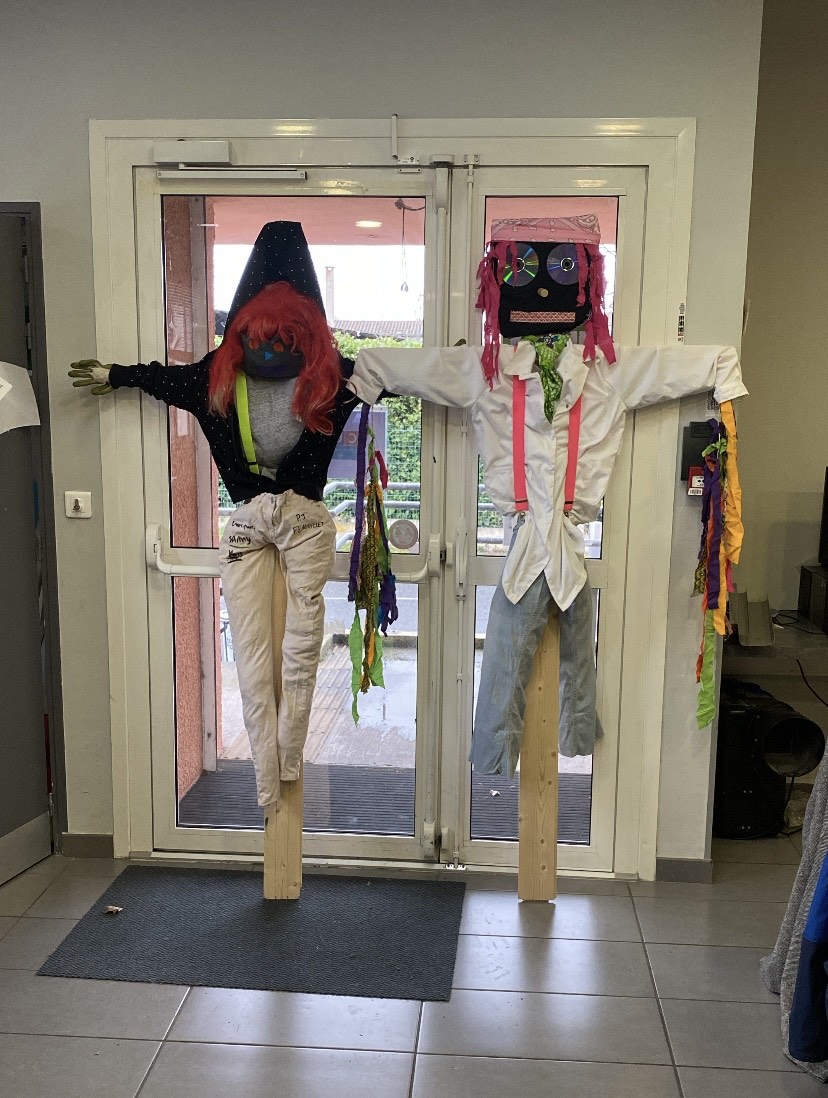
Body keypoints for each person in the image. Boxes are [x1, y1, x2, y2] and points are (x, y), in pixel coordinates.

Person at [70, 221, 363, 809]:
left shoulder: (337, 379)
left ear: (307, 339)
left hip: (306, 523)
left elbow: (396, 380)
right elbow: (163, 378)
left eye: (286, 340)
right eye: (262, 339)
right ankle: (266, 781)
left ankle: (288, 758)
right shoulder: (214, 378)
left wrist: (453, 369)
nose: (272, 351)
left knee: (303, 648)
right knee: (252, 653)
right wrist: (116, 375)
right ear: (241, 334)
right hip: (251, 524)